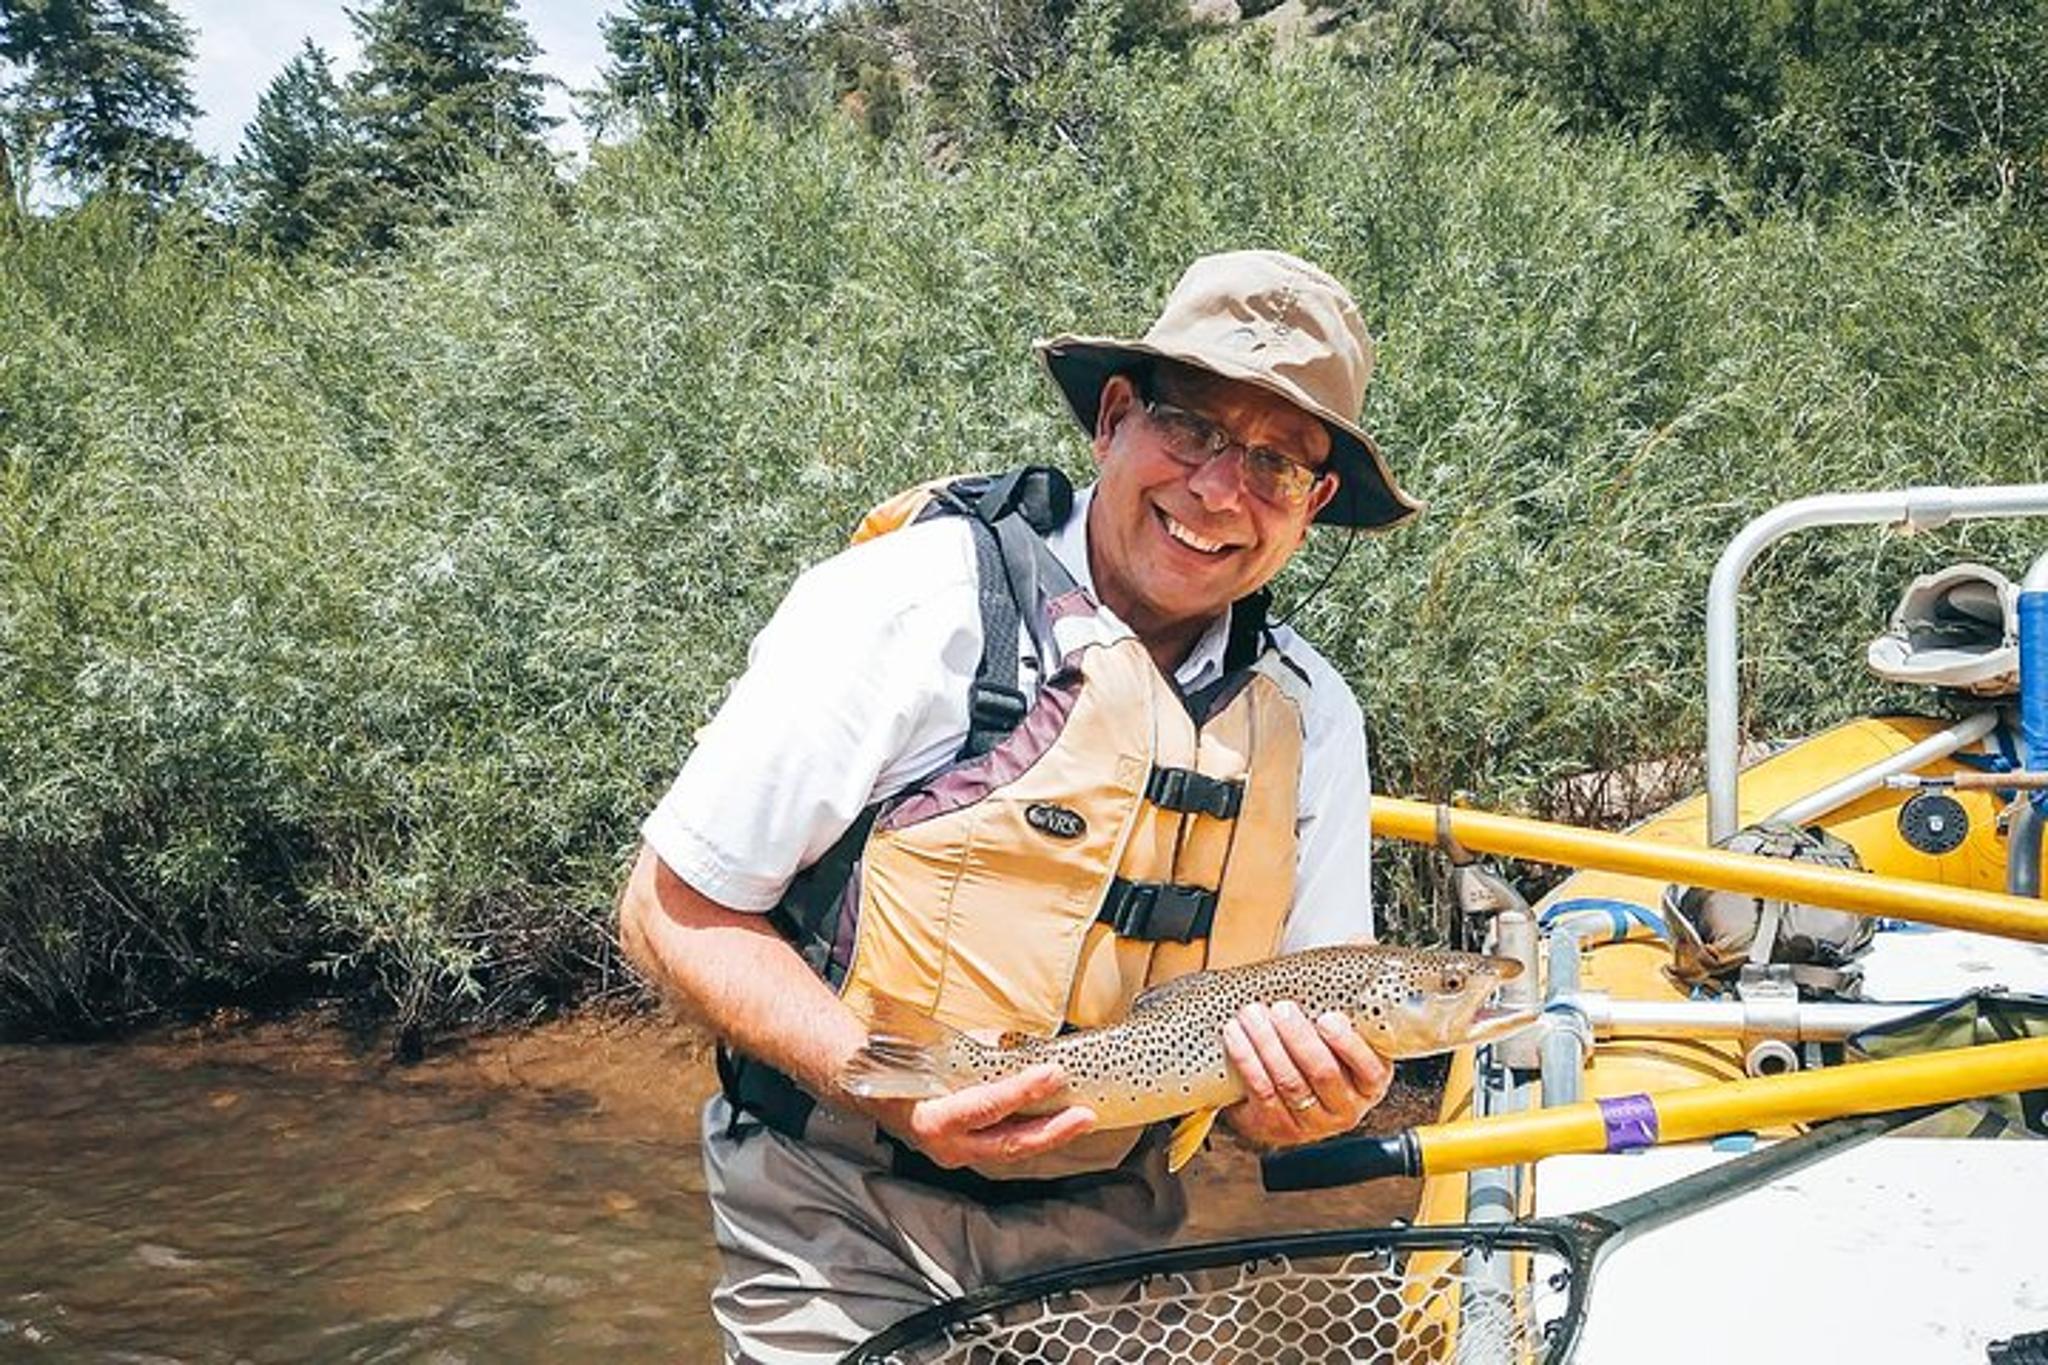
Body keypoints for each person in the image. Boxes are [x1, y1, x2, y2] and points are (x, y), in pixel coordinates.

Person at [616, 249, 1424, 1364]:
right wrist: (882, 1084)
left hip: (1116, 1229)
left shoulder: (1311, 714)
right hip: (839, 1203)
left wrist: (1302, 1105)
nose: (1217, 491)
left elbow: (1272, 1076)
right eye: (1189, 428)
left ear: (1313, 503)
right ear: (1112, 418)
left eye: (1276, 463)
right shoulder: (914, 602)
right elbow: (668, 909)